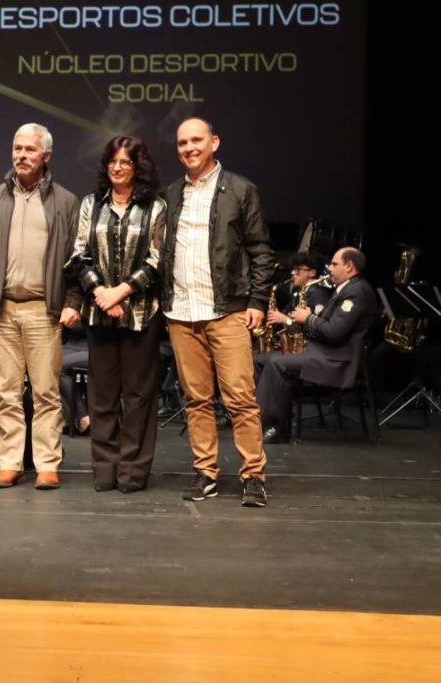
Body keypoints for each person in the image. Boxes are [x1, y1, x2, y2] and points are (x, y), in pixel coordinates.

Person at [159, 117, 275, 507]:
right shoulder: (171, 193)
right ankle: (205, 471)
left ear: (215, 143)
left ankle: (253, 475)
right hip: (182, 313)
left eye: (196, 140)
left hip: (227, 311)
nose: (189, 148)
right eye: (182, 143)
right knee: (196, 399)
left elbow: (260, 251)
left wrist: (257, 302)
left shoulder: (241, 189)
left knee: (240, 399)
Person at [0, 122, 80, 490]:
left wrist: (73, 301)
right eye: (18, 149)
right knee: (6, 392)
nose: (22, 155)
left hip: (44, 310)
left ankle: (47, 464)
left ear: (46, 156)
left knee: (46, 392)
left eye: (30, 150)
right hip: (1, 311)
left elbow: (78, 258)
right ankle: (10, 463)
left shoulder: (65, 201)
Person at [66, 136, 167, 492]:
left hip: (142, 314)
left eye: (125, 162)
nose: (118, 167)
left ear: (138, 167)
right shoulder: (91, 204)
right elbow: (78, 255)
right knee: (103, 396)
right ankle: (106, 472)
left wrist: (121, 292)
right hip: (100, 314)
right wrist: (101, 294)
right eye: (112, 161)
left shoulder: (156, 207)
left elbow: (158, 260)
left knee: (138, 397)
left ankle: (133, 473)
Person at [256, 247, 379, 442]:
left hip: (339, 361)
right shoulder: (347, 288)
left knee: (277, 363)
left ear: (349, 266)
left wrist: (308, 318)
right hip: (326, 353)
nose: (329, 268)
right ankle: (256, 420)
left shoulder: (357, 292)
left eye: (334, 264)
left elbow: (334, 332)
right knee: (264, 359)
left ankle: (276, 427)